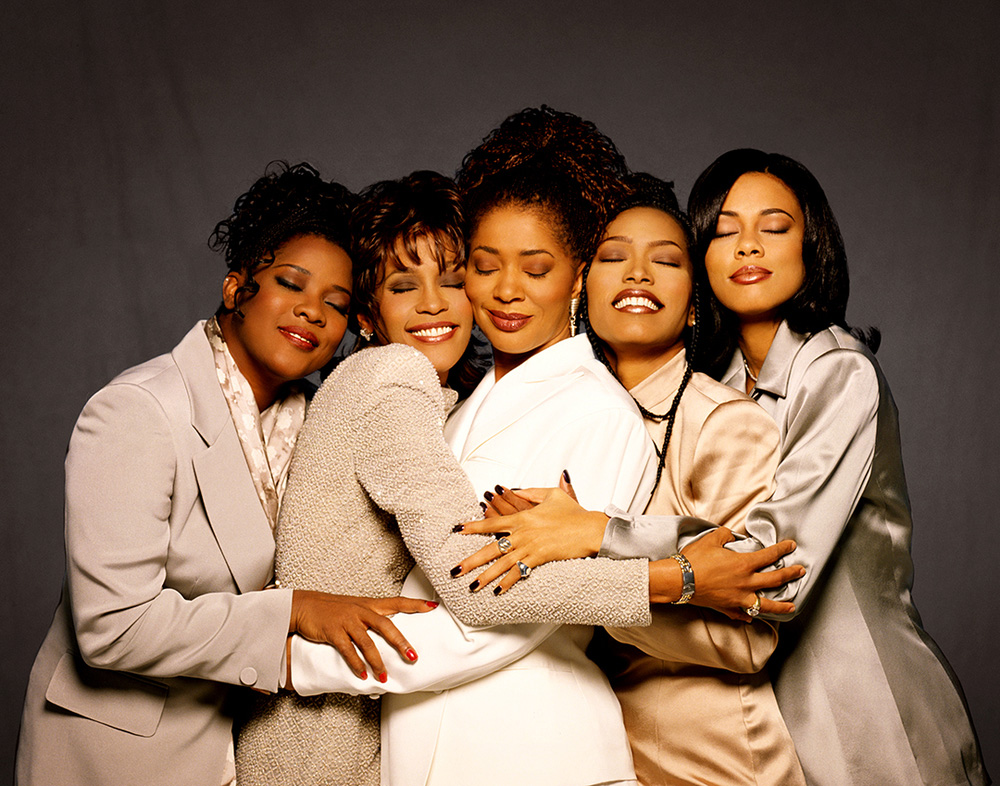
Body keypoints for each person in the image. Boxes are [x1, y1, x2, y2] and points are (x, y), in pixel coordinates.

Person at [285, 109, 802, 786]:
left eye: (536, 268)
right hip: (432, 751)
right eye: (485, 266)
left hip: (537, 753)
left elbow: (503, 616)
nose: (506, 291)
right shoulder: (455, 402)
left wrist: (300, 662)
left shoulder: (597, 412)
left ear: (579, 275)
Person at [14, 162, 431, 786]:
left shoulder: (311, 422)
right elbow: (111, 627)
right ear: (238, 286)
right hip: (120, 753)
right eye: (291, 284)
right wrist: (292, 612)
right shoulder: (140, 411)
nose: (312, 312)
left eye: (336, 303)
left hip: (237, 743)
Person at [458, 172, 807, 785]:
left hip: (714, 760)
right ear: (580, 287)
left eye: (665, 262)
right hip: (601, 751)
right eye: (614, 257)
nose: (637, 275)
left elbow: (750, 638)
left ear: (694, 300)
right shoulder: (564, 413)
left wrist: (595, 574)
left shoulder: (727, 425)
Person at [683, 148, 990, 786]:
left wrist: (602, 536)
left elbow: (773, 569)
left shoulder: (839, 373)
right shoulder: (709, 387)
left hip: (868, 711)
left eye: (773, 228)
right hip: (756, 727)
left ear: (811, 244)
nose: (747, 248)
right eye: (724, 230)